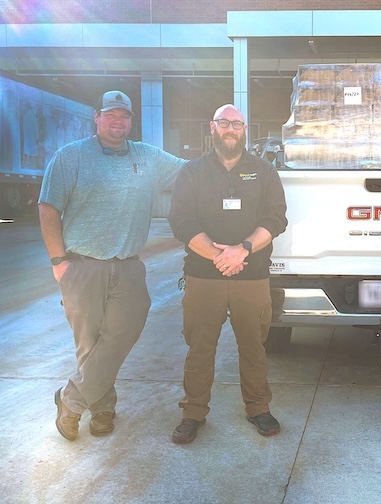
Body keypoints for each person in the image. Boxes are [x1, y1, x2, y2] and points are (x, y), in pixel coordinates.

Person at [39, 90, 186, 441]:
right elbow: (48, 209)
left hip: (129, 266)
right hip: (82, 265)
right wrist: (59, 261)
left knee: (122, 333)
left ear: (132, 121)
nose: (118, 121)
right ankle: (102, 409)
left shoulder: (148, 158)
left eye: (124, 116)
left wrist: (233, 160)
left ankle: (71, 400)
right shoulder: (70, 157)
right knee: (89, 342)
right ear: (97, 117)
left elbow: (190, 173)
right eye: (111, 114)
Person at [168, 104, 287, 443]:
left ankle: (258, 408)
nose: (230, 129)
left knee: (253, 347)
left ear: (244, 129)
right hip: (204, 278)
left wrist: (242, 250)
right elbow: (181, 221)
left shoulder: (264, 171)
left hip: (252, 276)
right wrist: (220, 256)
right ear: (213, 128)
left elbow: (276, 218)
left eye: (236, 123)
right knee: (200, 348)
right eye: (224, 123)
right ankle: (193, 413)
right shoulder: (191, 171)